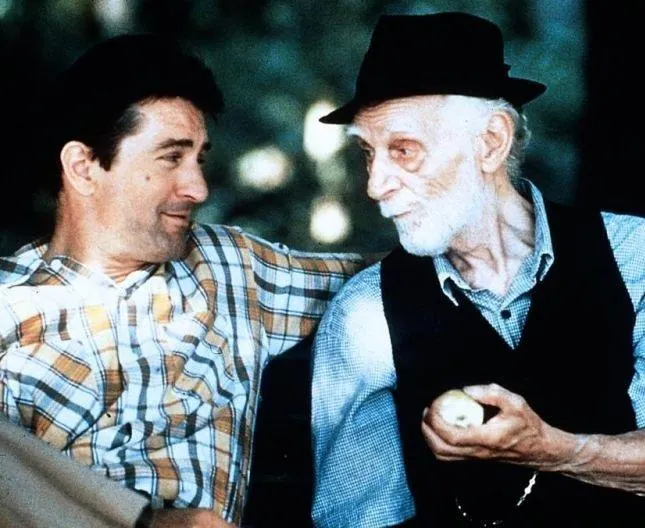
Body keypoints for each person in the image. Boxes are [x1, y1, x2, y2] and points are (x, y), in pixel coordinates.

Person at [0, 35, 364, 527]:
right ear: (84, 168)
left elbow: (409, 274)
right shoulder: (9, 300)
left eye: (199, 160)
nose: (198, 188)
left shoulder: (229, 265)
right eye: (171, 158)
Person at [311, 12, 645, 528]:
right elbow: (361, 519)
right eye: (368, 153)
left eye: (404, 150)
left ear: (491, 142)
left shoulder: (633, 254)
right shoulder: (366, 315)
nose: (375, 185)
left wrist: (552, 449)